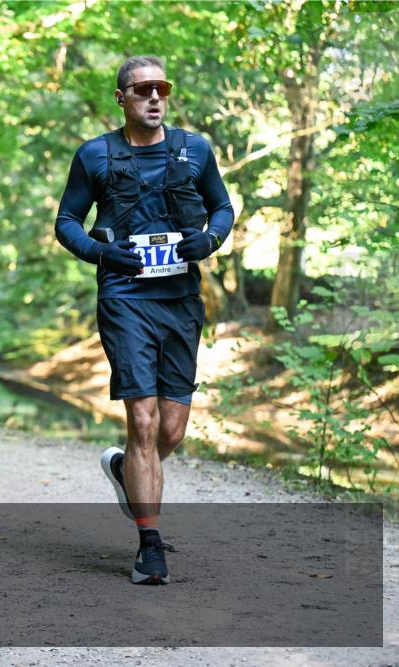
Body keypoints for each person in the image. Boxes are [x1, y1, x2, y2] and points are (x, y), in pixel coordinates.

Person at [54, 56, 234, 584]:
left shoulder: (195, 150)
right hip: (125, 296)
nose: (154, 97)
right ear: (122, 98)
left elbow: (221, 208)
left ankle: (123, 471)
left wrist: (212, 238)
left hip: (180, 299)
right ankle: (148, 546)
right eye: (142, 90)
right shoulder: (95, 155)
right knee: (144, 419)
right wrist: (100, 254)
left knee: (172, 430)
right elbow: (67, 221)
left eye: (162, 88)